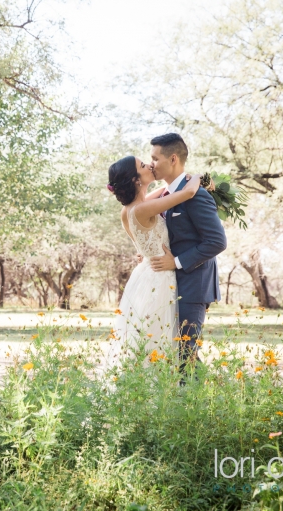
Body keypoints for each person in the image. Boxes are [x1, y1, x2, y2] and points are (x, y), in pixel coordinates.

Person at [104, 153, 201, 372]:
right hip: (160, 275)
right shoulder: (143, 209)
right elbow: (188, 192)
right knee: (158, 337)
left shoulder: (128, 210)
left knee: (145, 337)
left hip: (145, 274)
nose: (149, 165)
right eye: (143, 165)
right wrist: (200, 176)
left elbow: (164, 193)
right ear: (135, 179)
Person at [147, 133, 227, 382]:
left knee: (186, 353)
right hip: (172, 285)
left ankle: (199, 409)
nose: (151, 164)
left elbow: (217, 241)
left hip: (194, 285)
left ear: (172, 159)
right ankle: (191, 408)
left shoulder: (197, 195)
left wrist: (176, 262)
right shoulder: (170, 194)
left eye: (154, 158)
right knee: (180, 353)